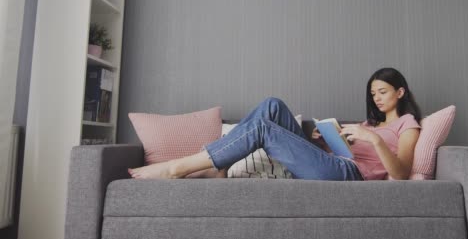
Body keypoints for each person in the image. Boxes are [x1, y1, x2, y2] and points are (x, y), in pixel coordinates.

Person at [128, 67, 422, 180]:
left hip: (350, 175)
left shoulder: (407, 124)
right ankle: (217, 166)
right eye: (373, 93)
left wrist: (374, 139)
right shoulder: (370, 122)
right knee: (272, 106)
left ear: (400, 92)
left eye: (382, 92)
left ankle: (177, 167)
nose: (377, 98)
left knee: (264, 130)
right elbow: (345, 150)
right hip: (332, 161)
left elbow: (403, 173)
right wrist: (324, 138)